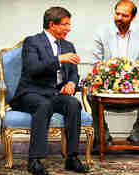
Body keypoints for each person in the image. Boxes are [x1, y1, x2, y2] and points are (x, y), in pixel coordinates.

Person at [11, 7, 89, 175]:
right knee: (43, 105)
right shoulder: (32, 42)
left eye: (69, 24)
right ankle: (34, 160)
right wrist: (58, 59)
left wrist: (72, 83)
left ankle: (72, 157)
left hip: (55, 94)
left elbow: (74, 72)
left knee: (74, 104)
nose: (69, 28)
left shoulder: (68, 45)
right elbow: (33, 68)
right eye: (65, 24)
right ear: (52, 25)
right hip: (31, 93)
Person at [90, 0, 139, 146]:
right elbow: (96, 64)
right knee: (91, 95)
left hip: (134, 88)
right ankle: (103, 138)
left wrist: (138, 80)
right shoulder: (101, 32)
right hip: (108, 86)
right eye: (117, 14)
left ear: (133, 17)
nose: (119, 18)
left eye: (124, 15)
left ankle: (137, 137)